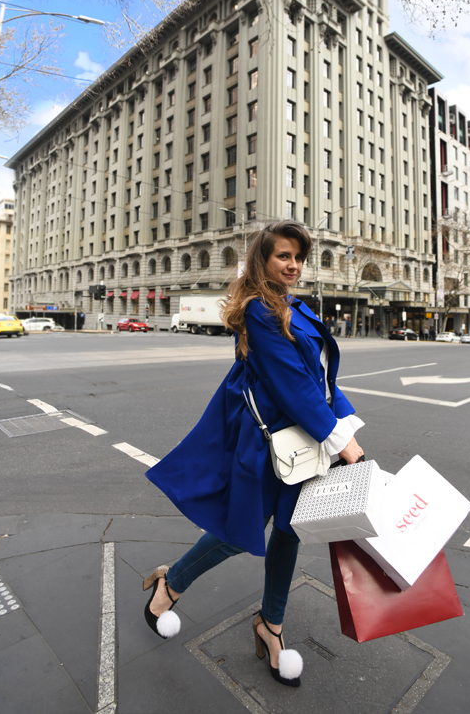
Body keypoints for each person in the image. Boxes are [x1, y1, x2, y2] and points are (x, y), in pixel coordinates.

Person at [144, 221, 363, 688]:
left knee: (289, 532)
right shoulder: (259, 312)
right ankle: (171, 583)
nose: (294, 265)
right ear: (262, 259)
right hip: (268, 443)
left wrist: (347, 427)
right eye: (284, 255)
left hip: (303, 441)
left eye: (299, 258)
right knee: (241, 528)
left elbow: (322, 382)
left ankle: (272, 627)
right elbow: (293, 386)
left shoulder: (294, 307)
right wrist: (341, 442)